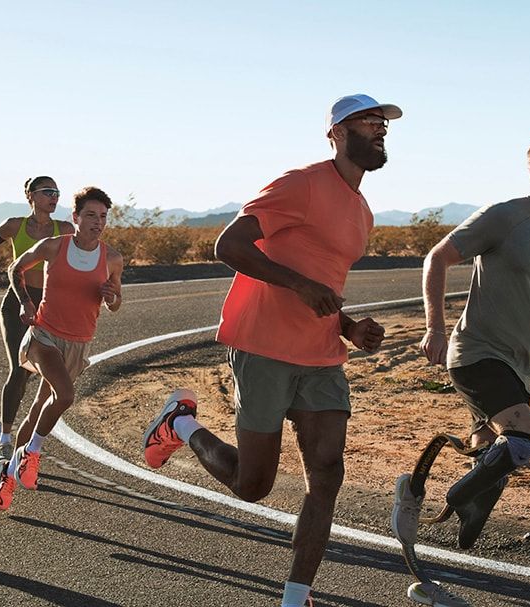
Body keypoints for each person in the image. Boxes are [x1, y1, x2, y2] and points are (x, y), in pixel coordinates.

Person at [142, 94, 397, 607]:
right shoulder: (301, 184)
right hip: (265, 348)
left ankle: (294, 597)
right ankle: (180, 424)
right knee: (253, 484)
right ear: (336, 133)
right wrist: (300, 285)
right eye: (367, 121)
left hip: (322, 355)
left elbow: (322, 284)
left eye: (383, 123)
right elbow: (229, 246)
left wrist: (349, 327)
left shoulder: (362, 210)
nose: (379, 129)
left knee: (327, 472)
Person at [391, 135, 530, 556]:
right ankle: (456, 497)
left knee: (489, 462)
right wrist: (435, 329)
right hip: (475, 353)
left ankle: (424, 499)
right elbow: (437, 257)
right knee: (522, 440)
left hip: (520, 368)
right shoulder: (505, 217)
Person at [0, 186, 123, 510]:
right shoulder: (54, 246)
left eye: (102, 216)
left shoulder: (112, 258)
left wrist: (111, 298)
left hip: (79, 343)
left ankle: (8, 475)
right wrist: (25, 302)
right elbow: (15, 268)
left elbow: (116, 303)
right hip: (44, 336)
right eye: (90, 215)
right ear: (75, 217)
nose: (97, 222)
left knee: (40, 406)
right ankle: (31, 453)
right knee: (64, 396)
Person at [0, 176, 73, 468]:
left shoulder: (65, 230)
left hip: (49, 308)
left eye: (56, 192)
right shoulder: (14, 226)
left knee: (39, 375)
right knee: (19, 370)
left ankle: (1, 428)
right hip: (17, 304)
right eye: (47, 192)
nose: (53, 197)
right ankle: (5, 440)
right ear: (30, 195)